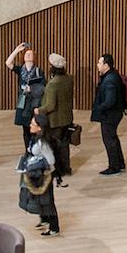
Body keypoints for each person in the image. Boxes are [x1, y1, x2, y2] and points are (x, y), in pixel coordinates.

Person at [20, 116, 61, 236]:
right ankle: (44, 219)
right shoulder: (36, 138)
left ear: (39, 128)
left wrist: (36, 163)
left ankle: (54, 228)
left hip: (45, 175)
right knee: (40, 199)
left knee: (48, 201)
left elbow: (51, 160)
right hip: (38, 174)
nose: (30, 125)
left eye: (33, 124)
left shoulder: (43, 142)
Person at [90, 52, 127, 175]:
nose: (97, 65)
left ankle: (114, 166)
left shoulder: (109, 80)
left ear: (106, 65)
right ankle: (120, 163)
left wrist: (98, 108)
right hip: (116, 113)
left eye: (99, 63)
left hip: (110, 115)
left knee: (109, 140)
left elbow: (110, 101)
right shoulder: (113, 76)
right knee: (113, 138)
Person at [41, 53, 75, 182]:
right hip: (67, 118)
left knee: (54, 146)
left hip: (55, 120)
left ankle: (57, 171)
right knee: (65, 145)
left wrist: (38, 110)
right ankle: (66, 168)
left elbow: (50, 106)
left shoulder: (52, 84)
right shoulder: (69, 79)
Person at [6, 42, 45, 132]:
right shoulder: (20, 70)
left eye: (30, 54)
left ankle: (33, 145)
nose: (28, 55)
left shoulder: (38, 71)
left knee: (34, 125)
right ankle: (27, 146)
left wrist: (31, 88)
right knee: (25, 127)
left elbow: (43, 86)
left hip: (34, 101)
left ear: (34, 57)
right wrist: (16, 50)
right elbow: (8, 63)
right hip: (23, 100)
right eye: (26, 54)